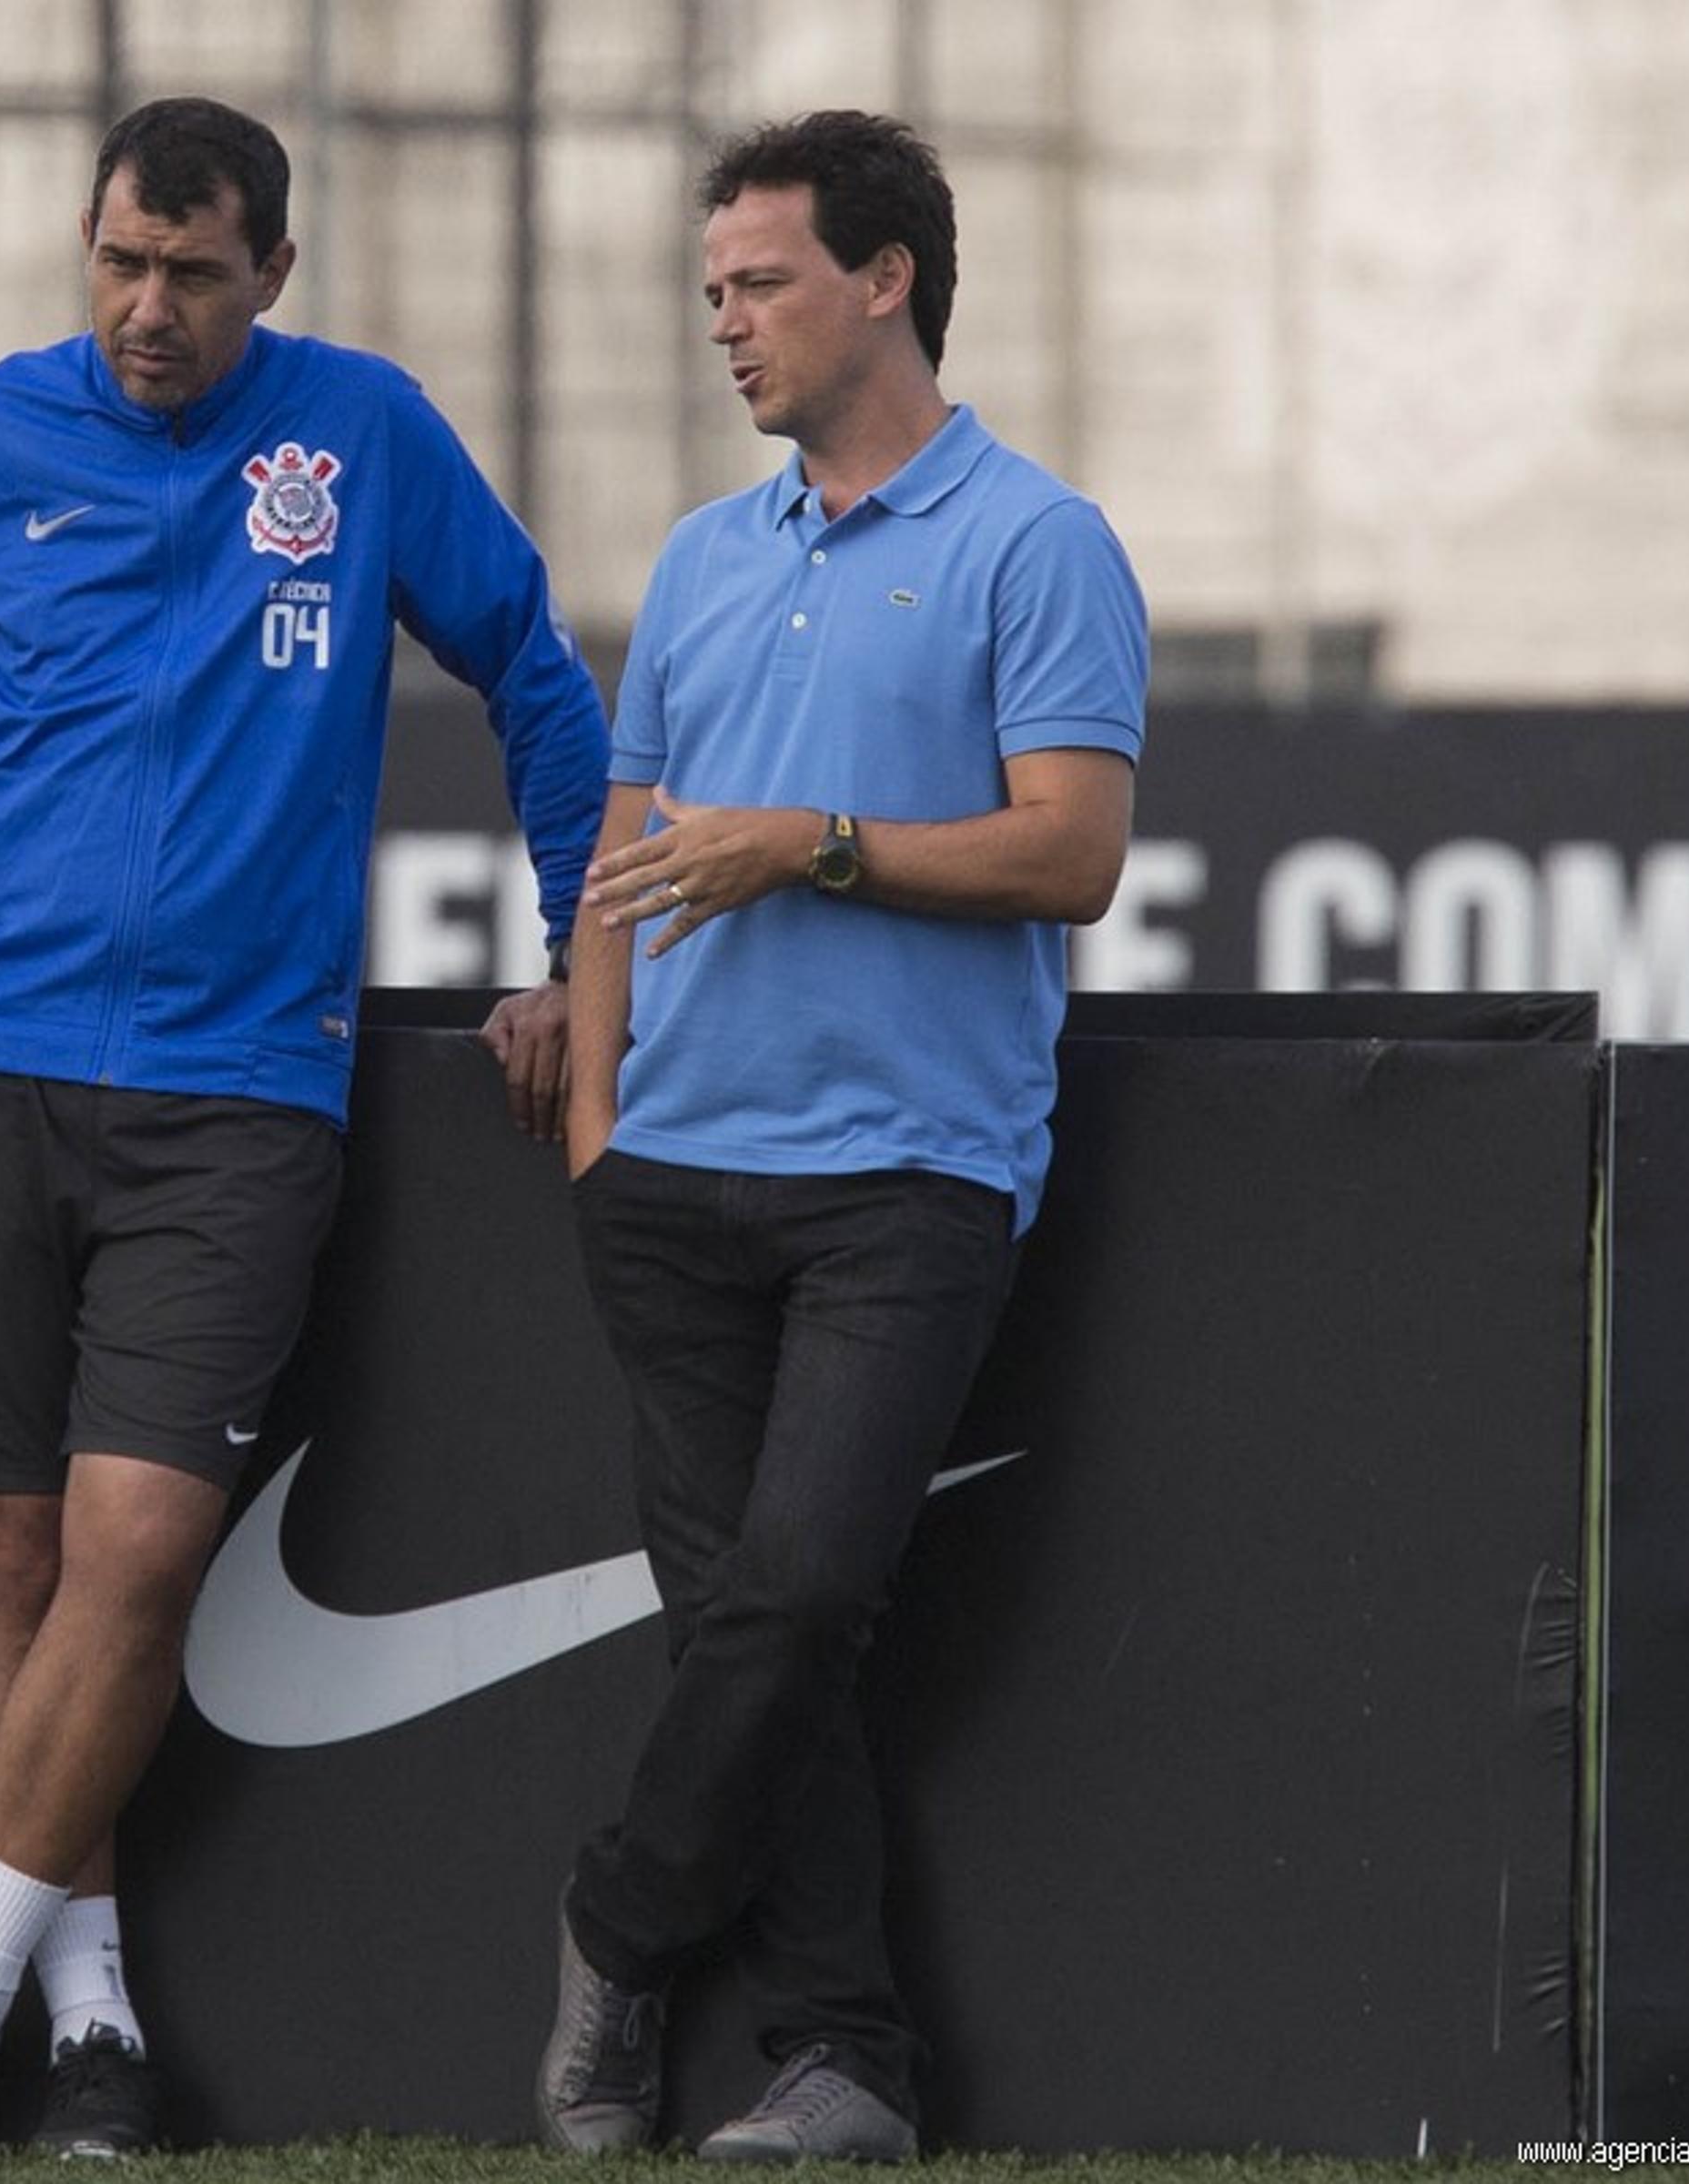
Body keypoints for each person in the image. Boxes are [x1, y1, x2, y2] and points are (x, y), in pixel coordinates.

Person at [0, 94, 610, 2158]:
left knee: (134, 1543)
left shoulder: (360, 436)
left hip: (242, 1086)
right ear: (84, 238)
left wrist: (587, 948)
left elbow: (539, 674)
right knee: (14, 1543)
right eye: (120, 261)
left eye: (194, 275)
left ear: (270, 277)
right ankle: (94, 2028)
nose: (147, 308)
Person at [533, 113, 1145, 2162]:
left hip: (910, 1177)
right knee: (753, 1634)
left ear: (885, 279)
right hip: (673, 1179)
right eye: (712, 290)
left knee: (794, 1605)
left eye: (761, 282)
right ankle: (849, 2068)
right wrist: (601, 1116)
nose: (727, 323)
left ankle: (618, 1927)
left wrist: (821, 847)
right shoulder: (709, 558)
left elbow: (1074, 855)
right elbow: (624, 851)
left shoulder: (1036, 542)